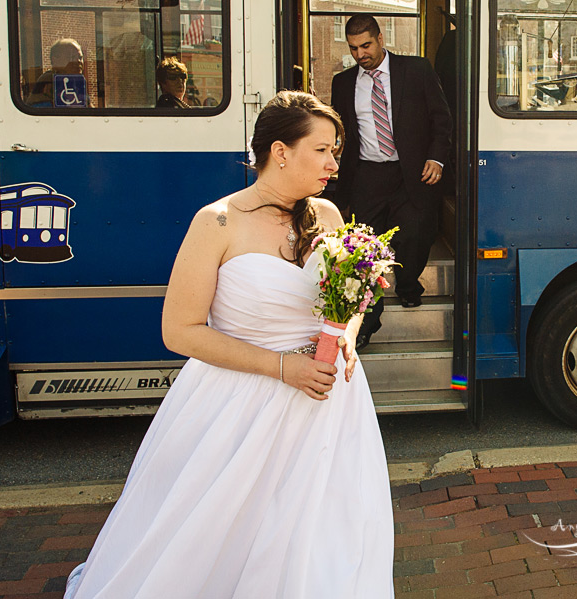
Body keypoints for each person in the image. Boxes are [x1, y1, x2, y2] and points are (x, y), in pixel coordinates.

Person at [62, 90, 394, 599]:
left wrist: (346, 337)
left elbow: (343, 304)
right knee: (220, 534)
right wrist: (283, 368)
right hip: (240, 407)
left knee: (327, 531)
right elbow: (181, 331)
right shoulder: (216, 222)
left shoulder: (327, 216)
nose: (333, 163)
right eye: (323, 150)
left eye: (336, 152)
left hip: (328, 406)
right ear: (280, 152)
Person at [331, 14, 452, 349]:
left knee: (416, 232)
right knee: (366, 248)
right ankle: (369, 320)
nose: (360, 54)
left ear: (380, 38)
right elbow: (343, 132)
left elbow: (442, 119)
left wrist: (437, 157)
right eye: (354, 48)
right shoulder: (343, 83)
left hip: (411, 171)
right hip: (368, 174)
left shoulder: (416, 70)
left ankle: (408, 283)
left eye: (366, 45)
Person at [25, 38, 85, 107]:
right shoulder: (48, 80)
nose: (78, 61)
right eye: (72, 57)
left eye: (80, 57)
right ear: (55, 60)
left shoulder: (78, 83)